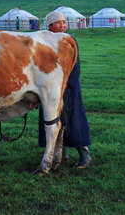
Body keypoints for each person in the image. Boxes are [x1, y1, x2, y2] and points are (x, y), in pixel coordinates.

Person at [38, 11, 92, 169]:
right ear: (50, 26)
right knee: (54, 122)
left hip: (67, 87)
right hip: (50, 88)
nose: (62, 25)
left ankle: (85, 155)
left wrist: (66, 85)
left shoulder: (68, 41)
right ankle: (61, 153)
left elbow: (74, 66)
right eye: (58, 23)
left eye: (63, 22)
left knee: (72, 121)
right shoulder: (46, 42)